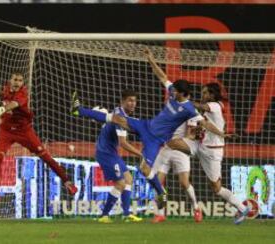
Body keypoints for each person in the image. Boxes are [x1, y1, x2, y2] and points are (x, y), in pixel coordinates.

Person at [70, 48, 234, 208]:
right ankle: (79, 110)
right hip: (146, 125)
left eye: (176, 91)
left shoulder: (190, 109)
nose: (172, 91)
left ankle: (161, 191)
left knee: (144, 169)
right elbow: (162, 76)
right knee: (116, 119)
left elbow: (205, 123)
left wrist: (221, 133)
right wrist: (150, 59)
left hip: (155, 140)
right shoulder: (173, 94)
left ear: (183, 94)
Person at [0, 71, 77, 204]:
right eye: (15, 80)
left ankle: (67, 182)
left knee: (45, 157)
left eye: (20, 80)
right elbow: (4, 95)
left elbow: (13, 104)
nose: (17, 83)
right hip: (6, 130)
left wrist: (2, 110)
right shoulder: (7, 89)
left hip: (24, 131)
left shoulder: (23, 94)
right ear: (10, 80)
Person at [166, 82, 250, 225]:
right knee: (171, 142)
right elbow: (204, 125)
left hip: (212, 152)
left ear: (212, 95)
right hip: (200, 146)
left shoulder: (216, 106)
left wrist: (183, 100)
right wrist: (199, 131)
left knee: (216, 188)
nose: (203, 95)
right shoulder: (208, 112)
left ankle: (242, 208)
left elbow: (201, 106)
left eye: (205, 93)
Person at [95, 90, 143, 223]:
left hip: (111, 152)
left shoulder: (121, 114)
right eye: (129, 100)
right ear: (122, 102)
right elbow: (123, 143)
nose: (133, 103)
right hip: (105, 153)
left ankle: (126, 214)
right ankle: (104, 215)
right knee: (121, 183)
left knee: (128, 178)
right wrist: (141, 154)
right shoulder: (119, 117)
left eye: (134, 101)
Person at [151, 117, 202, 223]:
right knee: (157, 182)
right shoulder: (166, 114)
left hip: (180, 151)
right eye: (167, 99)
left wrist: (179, 141)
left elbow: (190, 135)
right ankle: (160, 213)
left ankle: (196, 208)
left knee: (184, 183)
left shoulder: (188, 113)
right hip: (166, 149)